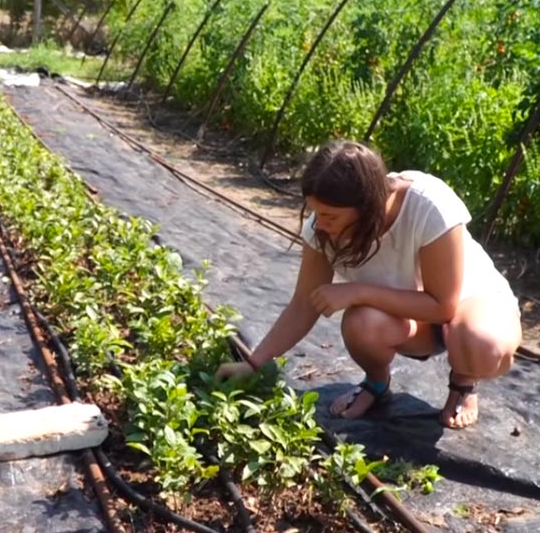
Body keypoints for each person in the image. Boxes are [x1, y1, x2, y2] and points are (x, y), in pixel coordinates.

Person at [215, 140, 521, 428]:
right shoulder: (322, 228)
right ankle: (376, 383)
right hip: (412, 321)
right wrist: (253, 364)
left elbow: (443, 306)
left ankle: (464, 381)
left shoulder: (428, 205)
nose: (320, 224)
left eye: (330, 216)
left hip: (467, 300)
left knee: (483, 343)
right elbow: (304, 304)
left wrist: (357, 291)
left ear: (368, 206)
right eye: (315, 212)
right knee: (361, 322)